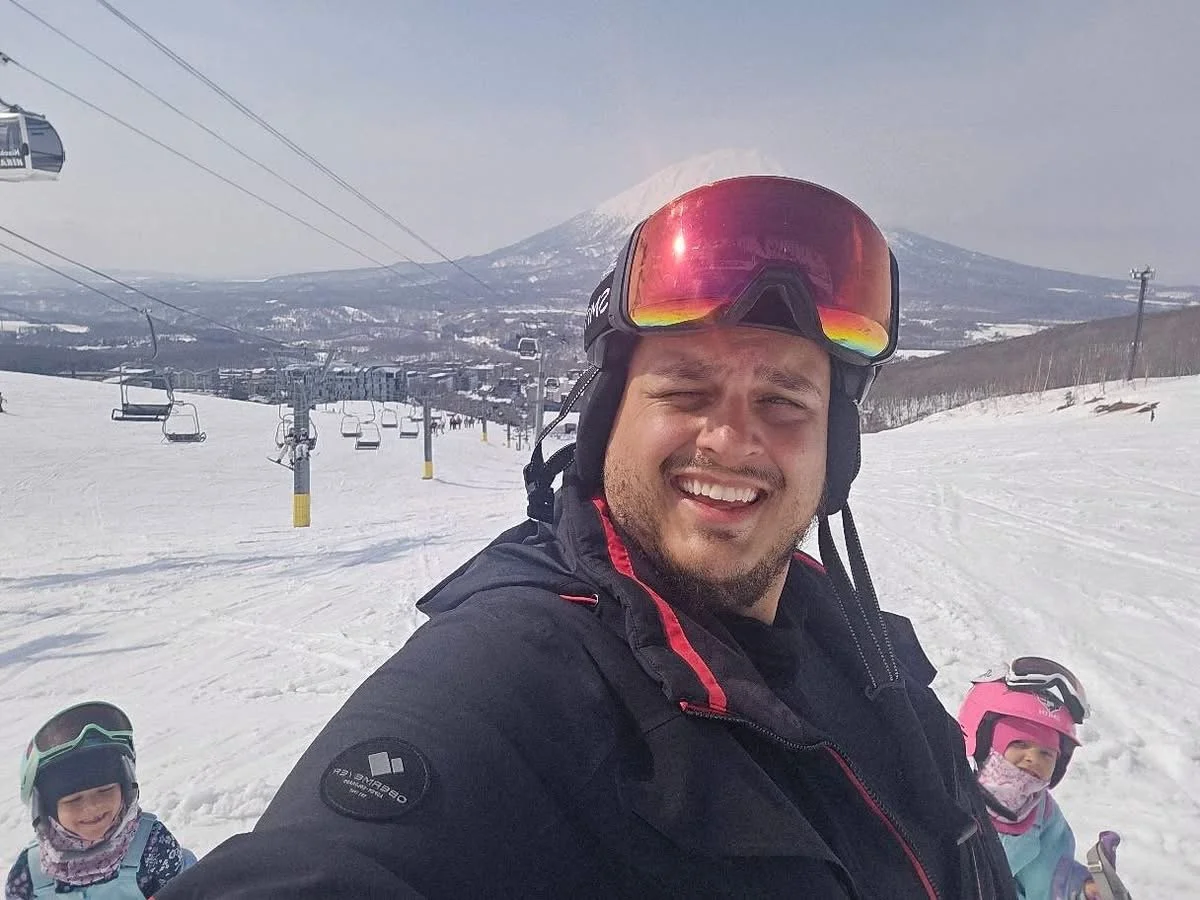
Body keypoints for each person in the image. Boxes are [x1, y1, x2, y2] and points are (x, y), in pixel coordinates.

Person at [160, 175, 1016, 898]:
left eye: (784, 401)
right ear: (607, 424)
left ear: (836, 451)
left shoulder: (864, 653)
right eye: (685, 391)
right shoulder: (518, 671)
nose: (731, 439)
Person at [5, 701, 193, 899]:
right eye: (73, 800)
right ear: (47, 810)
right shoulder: (30, 875)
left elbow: (186, 892)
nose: (92, 807)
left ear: (126, 789)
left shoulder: (152, 844)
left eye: (105, 790)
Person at [957, 658, 1100, 900]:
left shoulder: (1042, 816)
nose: (1033, 758)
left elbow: (1050, 876)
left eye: (1046, 753)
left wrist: (1081, 891)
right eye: (1020, 744)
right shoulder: (948, 789)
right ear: (983, 743)